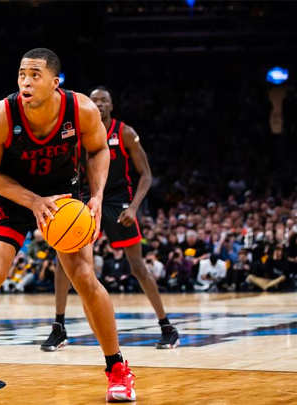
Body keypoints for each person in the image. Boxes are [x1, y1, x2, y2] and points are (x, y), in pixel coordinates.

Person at [0, 49, 136, 403]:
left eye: (35, 75)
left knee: (83, 276)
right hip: (12, 194)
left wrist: (95, 197)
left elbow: (98, 151)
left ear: (54, 82)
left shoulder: (81, 110)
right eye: (21, 74)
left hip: (64, 194)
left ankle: (117, 370)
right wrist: (32, 201)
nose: (26, 82)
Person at [44, 86, 179, 354]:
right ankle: (59, 327)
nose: (100, 104)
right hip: (85, 197)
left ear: (111, 106)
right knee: (63, 263)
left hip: (118, 201)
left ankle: (167, 327)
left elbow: (146, 175)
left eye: (104, 100)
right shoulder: (78, 133)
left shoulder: (125, 133)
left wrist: (135, 208)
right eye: (94, 101)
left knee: (138, 266)